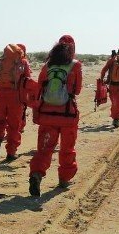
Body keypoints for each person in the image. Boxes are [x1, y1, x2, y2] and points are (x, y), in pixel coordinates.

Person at [28, 35, 82, 197]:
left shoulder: (47, 66)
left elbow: (39, 90)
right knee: (67, 149)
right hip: (67, 115)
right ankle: (64, 179)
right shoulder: (75, 65)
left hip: (47, 115)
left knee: (44, 149)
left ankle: (36, 173)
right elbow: (77, 90)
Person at [0, 43, 32, 161]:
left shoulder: (1, 62)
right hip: (15, 97)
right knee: (14, 125)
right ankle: (11, 152)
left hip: (0, 95)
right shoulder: (23, 63)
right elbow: (28, 81)